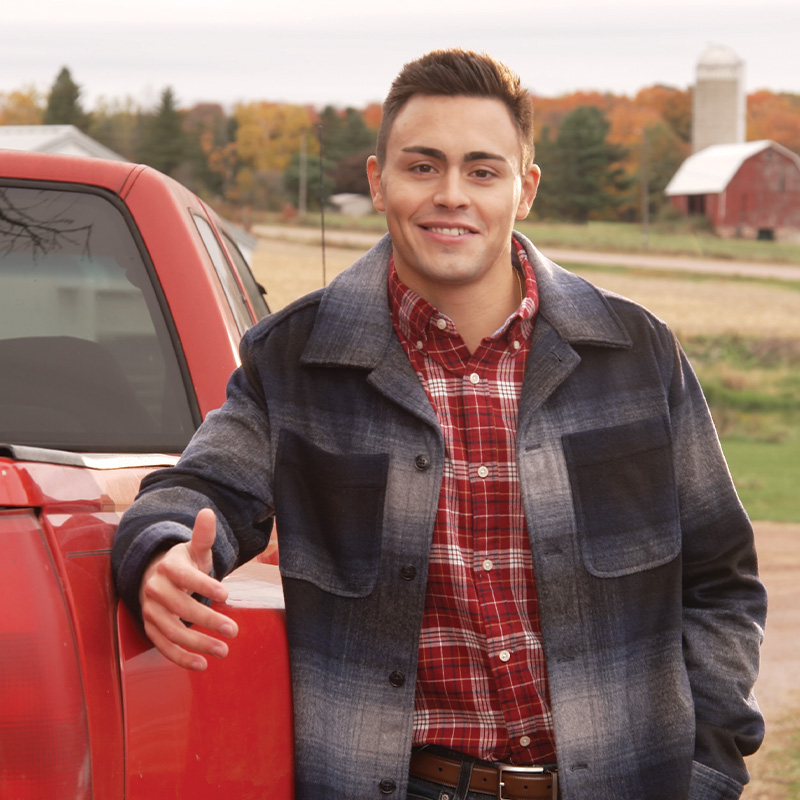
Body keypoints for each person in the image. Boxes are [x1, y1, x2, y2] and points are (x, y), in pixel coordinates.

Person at [112, 49, 766, 800]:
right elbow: (197, 488)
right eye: (422, 167)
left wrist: (709, 768)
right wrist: (161, 555)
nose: (451, 194)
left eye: (482, 171)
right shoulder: (294, 361)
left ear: (525, 190)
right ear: (377, 179)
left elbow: (721, 581)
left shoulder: (635, 353)